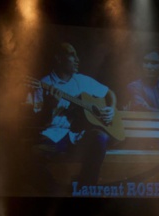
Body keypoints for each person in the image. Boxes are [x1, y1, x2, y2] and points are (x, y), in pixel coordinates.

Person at [26, 42, 117, 193]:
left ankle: (87, 188)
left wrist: (111, 109)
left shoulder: (82, 80)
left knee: (101, 138)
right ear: (59, 58)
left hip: (78, 136)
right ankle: (58, 191)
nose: (77, 60)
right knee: (31, 156)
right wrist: (51, 106)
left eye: (77, 56)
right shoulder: (44, 84)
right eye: (72, 55)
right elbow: (39, 121)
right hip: (55, 136)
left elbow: (110, 93)